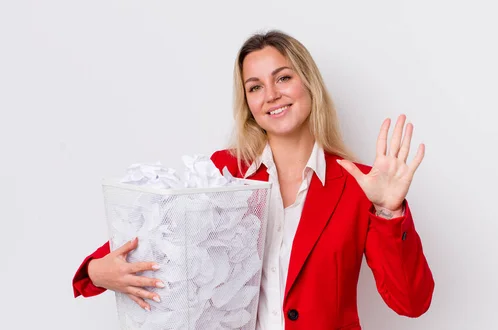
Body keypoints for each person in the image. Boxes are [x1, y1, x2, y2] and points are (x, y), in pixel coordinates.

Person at [72, 30, 434, 330]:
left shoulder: (361, 184)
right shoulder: (224, 171)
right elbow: (155, 237)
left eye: (283, 77)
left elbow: (410, 302)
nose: (271, 95)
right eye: (255, 86)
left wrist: (389, 211)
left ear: (309, 83)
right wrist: (96, 270)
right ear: (247, 102)